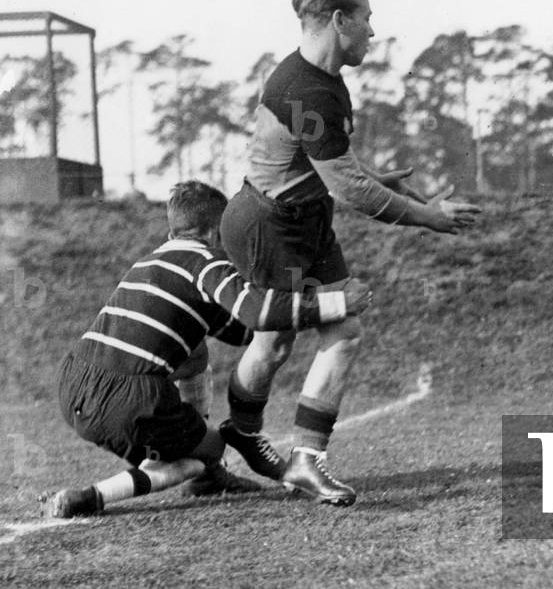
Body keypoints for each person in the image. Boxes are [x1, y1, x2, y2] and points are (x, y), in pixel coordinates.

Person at [218, 0, 481, 505]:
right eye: (366, 18)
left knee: (323, 333)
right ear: (339, 19)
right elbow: (350, 190)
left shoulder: (322, 81)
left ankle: (280, 452)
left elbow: (332, 169)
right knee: (285, 339)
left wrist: (375, 181)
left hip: (302, 218)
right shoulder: (307, 89)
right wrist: (426, 217)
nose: (372, 31)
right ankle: (265, 447)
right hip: (270, 227)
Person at [48, 181, 372, 517]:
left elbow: (242, 332)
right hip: (128, 398)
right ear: (217, 231)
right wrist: (334, 304)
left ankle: (200, 465)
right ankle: (95, 495)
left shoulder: (150, 262)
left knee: (194, 352)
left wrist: (286, 320)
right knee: (206, 453)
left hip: (73, 384)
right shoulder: (205, 262)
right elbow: (255, 314)